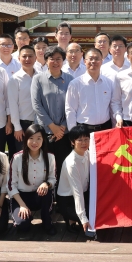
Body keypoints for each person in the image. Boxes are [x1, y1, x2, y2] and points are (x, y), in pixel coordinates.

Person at [32, 46, 74, 180]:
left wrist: (62, 127)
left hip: (64, 133)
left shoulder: (70, 79)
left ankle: (62, 192)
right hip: (44, 132)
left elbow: (73, 105)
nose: (55, 62)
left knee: (63, 166)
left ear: (63, 61)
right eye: (52, 59)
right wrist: (52, 126)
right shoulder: (38, 79)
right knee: (45, 167)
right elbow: (36, 105)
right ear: (46, 60)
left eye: (58, 59)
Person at [9, 124, 57, 235]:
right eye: (31, 138)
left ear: (43, 140)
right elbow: (11, 185)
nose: (34, 142)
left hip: (38, 196)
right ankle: (25, 216)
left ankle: (47, 222)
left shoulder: (50, 157)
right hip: (21, 197)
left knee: (47, 191)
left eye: (38, 138)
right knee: (22, 225)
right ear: (26, 139)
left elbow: (53, 178)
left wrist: (46, 184)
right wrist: (22, 205)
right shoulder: (17, 158)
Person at [65, 48, 114, 132]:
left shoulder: (109, 83)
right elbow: (70, 109)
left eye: (97, 59)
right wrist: (73, 132)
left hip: (105, 128)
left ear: (102, 61)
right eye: (90, 59)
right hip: (84, 130)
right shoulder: (75, 84)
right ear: (84, 61)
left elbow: (112, 106)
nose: (93, 61)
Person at [56, 125, 92, 232]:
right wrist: (83, 218)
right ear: (72, 142)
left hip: (84, 194)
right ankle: (70, 218)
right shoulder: (71, 163)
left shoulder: (88, 154)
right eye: (80, 140)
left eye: (86, 139)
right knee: (91, 217)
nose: (84, 143)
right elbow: (77, 192)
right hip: (68, 199)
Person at [8, 45, 37, 152]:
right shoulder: (14, 79)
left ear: (36, 58)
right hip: (23, 124)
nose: (27, 59)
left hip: (39, 123)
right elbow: (13, 104)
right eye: (24, 56)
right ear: (19, 58)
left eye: (30, 56)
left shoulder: (40, 76)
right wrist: (17, 127)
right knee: (22, 155)